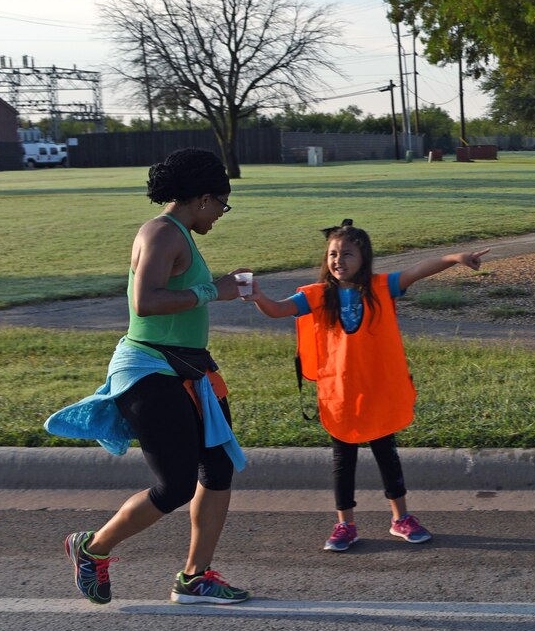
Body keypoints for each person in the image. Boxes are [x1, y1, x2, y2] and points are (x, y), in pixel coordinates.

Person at [45, 148, 252, 605]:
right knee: (176, 484)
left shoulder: (179, 233)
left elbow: (178, 294)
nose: (221, 214)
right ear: (202, 198)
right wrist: (212, 291)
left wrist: (219, 286)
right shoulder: (160, 232)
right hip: (150, 368)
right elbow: (146, 302)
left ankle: (196, 577)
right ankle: (91, 548)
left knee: (217, 470)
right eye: (222, 204)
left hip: (190, 368)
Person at [248, 219, 488, 551]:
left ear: (364, 259)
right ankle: (345, 524)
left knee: (386, 455)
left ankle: (400, 518)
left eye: (347, 254)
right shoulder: (316, 296)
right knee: (342, 460)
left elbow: (416, 270)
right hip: (339, 394)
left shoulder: (380, 287)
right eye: (332, 253)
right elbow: (277, 311)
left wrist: (454, 258)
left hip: (376, 390)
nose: (338, 260)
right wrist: (258, 296)